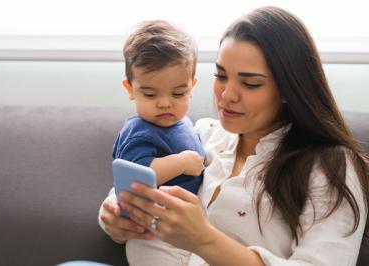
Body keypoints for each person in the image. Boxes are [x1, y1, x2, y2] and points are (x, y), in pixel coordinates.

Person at [100, 6, 369, 266]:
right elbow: (134, 183)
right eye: (221, 75)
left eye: (250, 83)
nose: (227, 95)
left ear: (289, 89)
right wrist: (113, 216)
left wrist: (203, 240)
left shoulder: (333, 169)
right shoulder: (201, 136)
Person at [109, 20, 205, 264]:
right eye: (150, 94)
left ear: (192, 87)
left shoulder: (184, 123)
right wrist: (180, 163)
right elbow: (137, 178)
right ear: (130, 89)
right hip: (150, 234)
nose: (165, 103)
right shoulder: (139, 131)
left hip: (182, 228)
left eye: (178, 93)